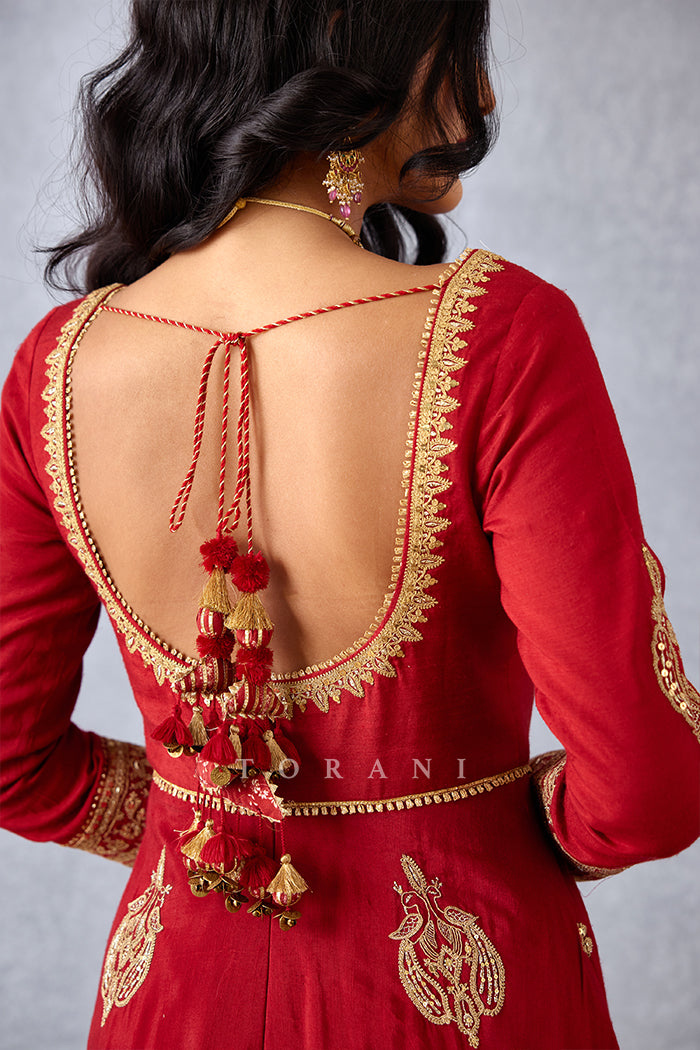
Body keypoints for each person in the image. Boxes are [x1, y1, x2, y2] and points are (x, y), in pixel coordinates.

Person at [1, 2, 698, 1048]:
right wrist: (496, 822)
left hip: (176, 987)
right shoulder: (503, 337)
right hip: (454, 982)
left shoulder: (54, 370)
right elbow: (646, 790)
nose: (483, 94)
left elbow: (10, 759)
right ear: (349, 34)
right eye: (460, 44)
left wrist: (208, 814)